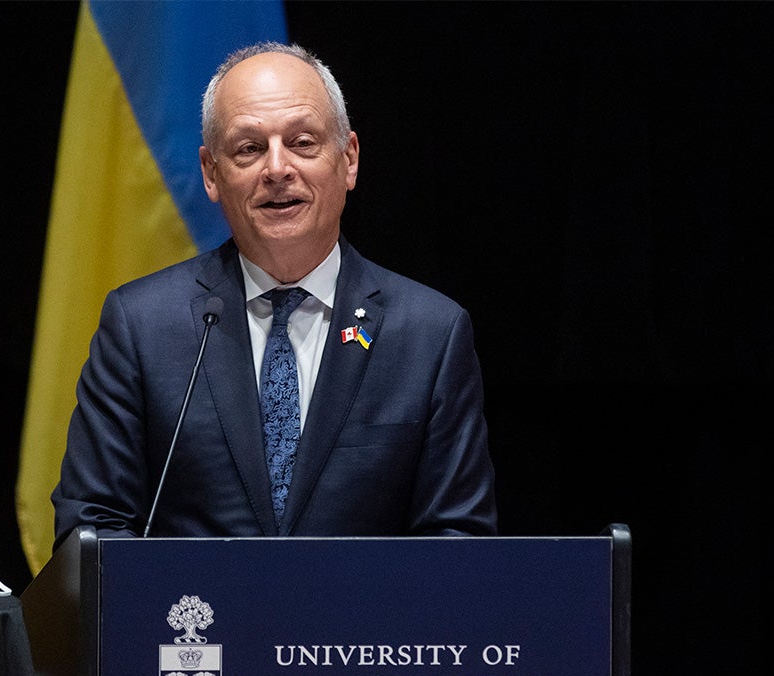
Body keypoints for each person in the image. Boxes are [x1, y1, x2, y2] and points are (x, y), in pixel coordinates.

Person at [52, 42, 496, 545]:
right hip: (195, 621)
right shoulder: (142, 326)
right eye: (249, 148)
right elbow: (91, 528)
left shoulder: (430, 334)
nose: (277, 169)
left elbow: (458, 541)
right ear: (211, 173)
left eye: (303, 142)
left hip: (364, 624)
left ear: (348, 159)